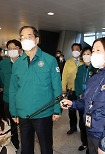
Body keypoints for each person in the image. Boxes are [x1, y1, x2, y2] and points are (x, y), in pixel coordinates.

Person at [61, 37, 105, 154]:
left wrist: (104, 144)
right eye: (93, 51)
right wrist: (73, 103)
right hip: (92, 132)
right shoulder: (95, 78)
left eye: (98, 50)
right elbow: (88, 102)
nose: (93, 54)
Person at [9, 26, 62, 154]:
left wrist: (57, 109)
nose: (25, 39)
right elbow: (13, 89)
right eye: (22, 37)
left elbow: (56, 86)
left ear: (36, 39)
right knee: (26, 148)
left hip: (43, 112)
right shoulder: (17, 64)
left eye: (29, 36)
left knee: (45, 147)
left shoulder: (49, 60)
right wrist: (13, 111)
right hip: (23, 113)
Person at [0, 39, 22, 150]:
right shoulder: (3, 64)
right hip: (8, 99)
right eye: (10, 49)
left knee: (24, 124)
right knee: (11, 124)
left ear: (20, 50)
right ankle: (15, 144)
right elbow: (1, 79)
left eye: (15, 48)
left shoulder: (25, 62)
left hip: (23, 99)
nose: (12, 50)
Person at [75, 46, 97, 153]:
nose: (86, 56)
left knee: (90, 123)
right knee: (82, 121)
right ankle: (84, 142)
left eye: (89, 54)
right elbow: (77, 82)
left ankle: (91, 145)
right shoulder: (80, 68)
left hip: (92, 100)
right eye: (84, 54)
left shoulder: (96, 69)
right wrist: (79, 93)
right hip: (81, 99)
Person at [62, 43, 83, 135]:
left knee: (82, 112)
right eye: (73, 49)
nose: (75, 51)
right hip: (71, 90)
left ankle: (83, 129)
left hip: (82, 91)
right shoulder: (68, 62)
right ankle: (73, 127)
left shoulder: (84, 62)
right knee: (71, 111)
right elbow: (64, 77)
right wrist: (63, 89)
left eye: (77, 49)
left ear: (80, 51)